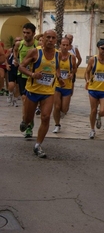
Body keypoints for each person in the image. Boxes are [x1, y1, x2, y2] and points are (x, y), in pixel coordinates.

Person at [18, 30, 64, 158]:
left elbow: (57, 68)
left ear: (56, 40)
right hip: (33, 91)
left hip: (48, 92)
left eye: (53, 38)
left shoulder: (58, 55)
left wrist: (59, 78)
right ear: (43, 39)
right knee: (28, 118)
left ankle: (38, 145)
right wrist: (32, 74)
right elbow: (21, 67)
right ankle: (25, 122)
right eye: (48, 37)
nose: (50, 40)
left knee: (45, 117)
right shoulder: (35, 52)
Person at [85, 40, 104, 139]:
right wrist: (87, 80)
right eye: (103, 48)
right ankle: (92, 130)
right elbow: (87, 71)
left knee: (103, 111)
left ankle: (99, 116)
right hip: (93, 88)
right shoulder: (93, 60)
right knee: (93, 110)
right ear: (98, 48)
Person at [18, 23, 39, 138]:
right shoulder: (19, 45)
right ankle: (28, 126)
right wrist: (17, 63)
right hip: (22, 76)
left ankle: (28, 120)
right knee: (25, 100)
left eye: (28, 33)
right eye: (24, 32)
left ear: (33, 34)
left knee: (32, 103)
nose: (25, 35)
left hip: (34, 77)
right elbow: (16, 56)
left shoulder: (38, 45)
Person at [52, 37, 77, 133]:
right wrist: (58, 76)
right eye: (63, 45)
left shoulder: (72, 57)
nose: (65, 47)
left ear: (69, 46)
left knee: (64, 109)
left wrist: (72, 73)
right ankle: (57, 124)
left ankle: (62, 114)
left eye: (67, 45)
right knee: (57, 107)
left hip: (67, 85)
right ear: (60, 45)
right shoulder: (56, 55)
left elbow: (74, 68)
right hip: (57, 84)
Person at [5, 40, 21, 107]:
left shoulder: (22, 52)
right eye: (16, 46)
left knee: (17, 86)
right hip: (12, 69)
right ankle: (10, 94)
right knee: (11, 84)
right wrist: (7, 65)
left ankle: (15, 100)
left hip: (19, 69)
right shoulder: (10, 51)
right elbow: (5, 58)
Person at [33, 33, 44, 115]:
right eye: (39, 40)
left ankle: (39, 107)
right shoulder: (34, 51)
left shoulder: (53, 52)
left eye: (42, 40)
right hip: (34, 78)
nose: (41, 42)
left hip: (45, 78)